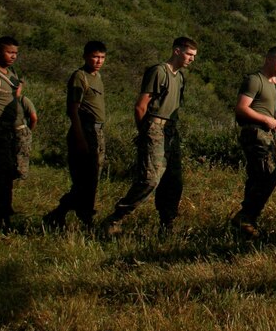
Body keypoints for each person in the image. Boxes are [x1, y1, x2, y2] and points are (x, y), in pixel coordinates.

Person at [101, 37, 198, 237]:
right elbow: (141, 106)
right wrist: (144, 132)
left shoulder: (179, 77)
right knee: (149, 179)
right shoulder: (159, 72)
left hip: (171, 129)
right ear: (177, 51)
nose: (191, 59)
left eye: (194, 56)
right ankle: (115, 218)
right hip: (155, 126)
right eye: (189, 54)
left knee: (173, 181)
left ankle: (167, 224)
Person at [44, 41, 108, 230]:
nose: (99, 61)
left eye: (102, 57)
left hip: (97, 131)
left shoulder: (97, 76)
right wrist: (80, 137)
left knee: (92, 178)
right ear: (86, 56)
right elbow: (73, 109)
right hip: (84, 130)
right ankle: (66, 214)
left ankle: (74, 215)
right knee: (84, 179)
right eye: (95, 56)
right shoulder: (80, 77)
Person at [230, 47, 276, 237]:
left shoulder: (272, 86)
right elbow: (241, 108)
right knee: (270, 175)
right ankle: (246, 216)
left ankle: (246, 223)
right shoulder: (255, 80)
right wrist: (267, 120)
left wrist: (275, 122)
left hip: (266, 134)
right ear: (268, 60)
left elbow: (268, 113)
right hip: (255, 133)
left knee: (258, 177)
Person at [0, 36, 24, 231]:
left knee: (7, 176)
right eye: (9, 52)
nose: (13, 56)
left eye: (15, 52)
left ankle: (5, 215)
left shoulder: (11, 74)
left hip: (10, 134)